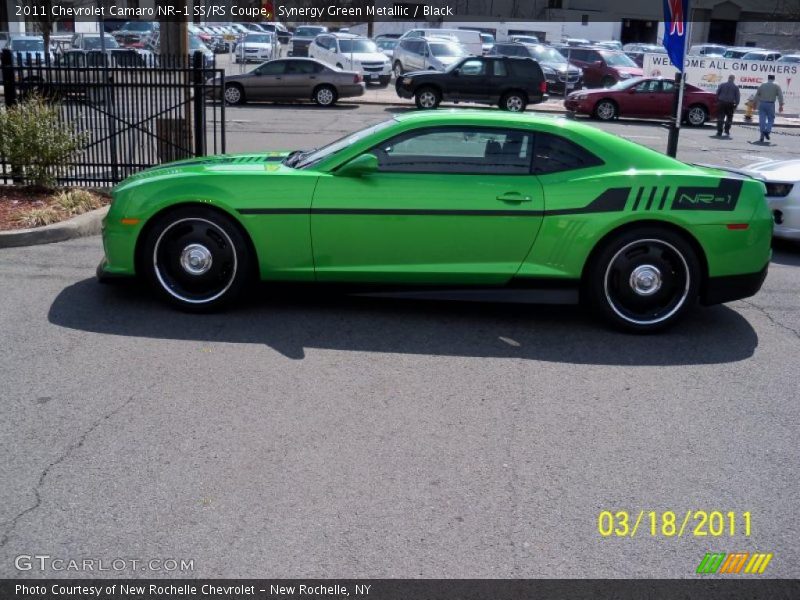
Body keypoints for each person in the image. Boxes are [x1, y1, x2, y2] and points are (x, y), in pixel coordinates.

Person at [754, 74, 785, 143]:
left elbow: (757, 94)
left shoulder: (762, 85)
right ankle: (767, 131)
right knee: (771, 119)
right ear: (774, 78)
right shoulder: (776, 85)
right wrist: (781, 105)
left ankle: (762, 136)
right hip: (770, 104)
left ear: (768, 78)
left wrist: (754, 103)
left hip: (762, 103)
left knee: (762, 120)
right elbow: (780, 96)